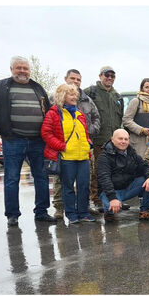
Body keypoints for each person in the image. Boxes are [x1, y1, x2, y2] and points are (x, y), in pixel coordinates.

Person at [0, 56, 55, 226]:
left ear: (29, 71)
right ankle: (12, 214)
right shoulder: (0, 87)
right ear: (11, 69)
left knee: (42, 176)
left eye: (25, 68)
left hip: (38, 141)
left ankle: (41, 212)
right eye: (19, 68)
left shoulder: (37, 88)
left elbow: (49, 112)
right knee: (12, 178)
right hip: (13, 139)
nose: (22, 71)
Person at [41, 84, 94, 224]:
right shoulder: (53, 113)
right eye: (71, 94)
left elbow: (85, 133)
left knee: (83, 186)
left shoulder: (79, 114)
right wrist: (62, 146)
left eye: (75, 94)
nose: (74, 97)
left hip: (83, 156)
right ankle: (71, 214)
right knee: (68, 187)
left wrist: (88, 143)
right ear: (62, 96)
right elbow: (46, 133)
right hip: (67, 157)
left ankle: (83, 213)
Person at [51, 69, 100, 219]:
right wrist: (61, 146)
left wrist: (89, 139)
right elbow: (48, 131)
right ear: (65, 78)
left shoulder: (85, 102)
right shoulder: (55, 105)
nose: (76, 81)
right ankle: (62, 209)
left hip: (83, 151)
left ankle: (83, 210)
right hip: (66, 153)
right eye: (72, 78)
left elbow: (95, 118)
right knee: (64, 184)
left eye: (78, 79)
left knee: (84, 182)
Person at [97, 129, 149, 222]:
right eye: (120, 139)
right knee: (112, 208)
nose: (123, 142)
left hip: (128, 188)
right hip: (111, 191)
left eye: (126, 139)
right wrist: (112, 198)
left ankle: (145, 210)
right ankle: (109, 213)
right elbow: (104, 178)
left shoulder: (132, 153)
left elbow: (145, 167)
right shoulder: (104, 157)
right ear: (112, 139)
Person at [85, 66, 124, 212]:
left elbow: (120, 117)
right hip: (98, 140)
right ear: (100, 75)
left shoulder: (117, 96)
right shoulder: (90, 92)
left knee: (113, 171)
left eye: (112, 76)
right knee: (97, 171)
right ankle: (95, 199)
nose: (109, 78)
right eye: (107, 75)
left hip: (114, 141)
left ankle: (112, 198)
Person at [122, 78, 149, 157]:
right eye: (147, 87)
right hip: (137, 141)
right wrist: (141, 130)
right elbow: (126, 120)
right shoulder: (136, 101)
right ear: (142, 88)